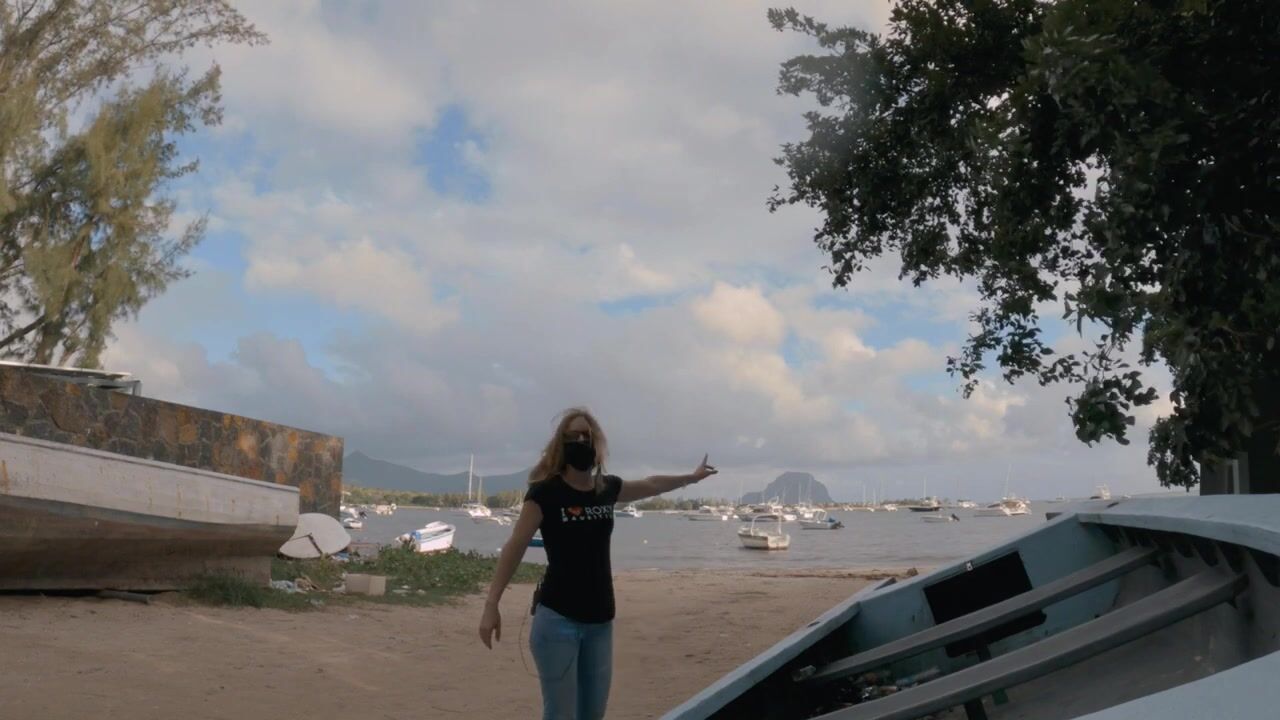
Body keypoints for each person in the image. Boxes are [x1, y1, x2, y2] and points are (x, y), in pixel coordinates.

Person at [478, 407, 717, 720]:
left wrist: (692, 478)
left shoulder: (606, 488)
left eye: (587, 436)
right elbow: (515, 546)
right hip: (557, 620)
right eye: (574, 436)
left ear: (597, 443)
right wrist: (491, 604)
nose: (582, 441)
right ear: (562, 443)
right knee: (560, 714)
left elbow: (651, 484)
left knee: (593, 714)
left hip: (601, 622)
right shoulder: (546, 493)